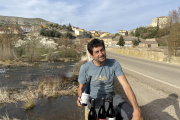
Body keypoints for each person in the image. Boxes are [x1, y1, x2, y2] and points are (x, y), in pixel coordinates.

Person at [77, 38, 142, 120]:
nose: (101, 54)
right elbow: (81, 88)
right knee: (108, 117)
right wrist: (80, 97)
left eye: (102, 50)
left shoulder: (114, 63)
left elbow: (126, 86)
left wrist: (136, 108)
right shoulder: (85, 68)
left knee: (135, 116)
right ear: (91, 55)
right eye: (97, 52)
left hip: (113, 98)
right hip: (95, 101)